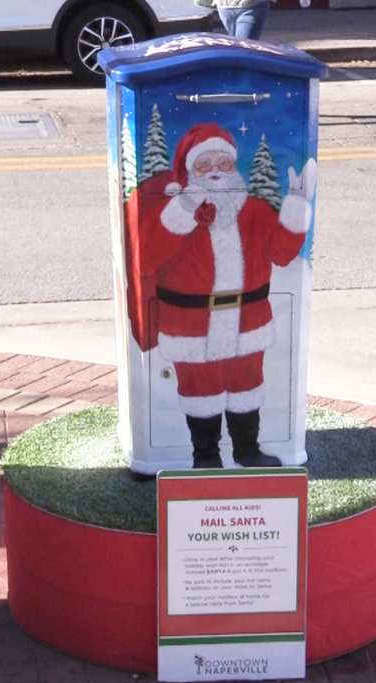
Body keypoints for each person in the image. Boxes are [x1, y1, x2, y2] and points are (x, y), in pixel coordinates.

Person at [132, 123, 316, 468]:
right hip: (191, 325)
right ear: (189, 170)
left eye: (224, 163)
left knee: (247, 385)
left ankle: (247, 451)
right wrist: (182, 214)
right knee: (200, 391)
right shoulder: (175, 213)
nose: (215, 171)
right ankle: (206, 457)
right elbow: (148, 258)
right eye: (205, 164)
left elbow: (281, 253)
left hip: (248, 320)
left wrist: (296, 207)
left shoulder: (255, 211)